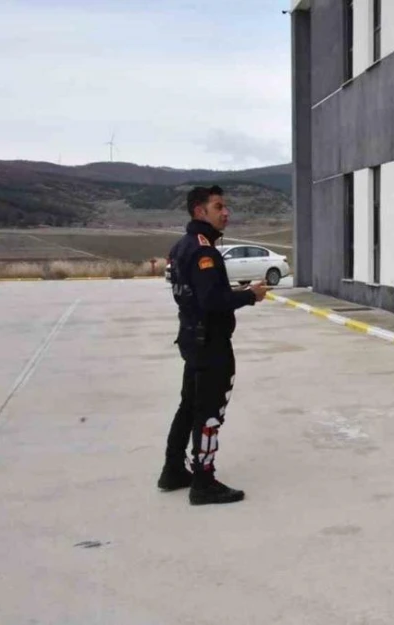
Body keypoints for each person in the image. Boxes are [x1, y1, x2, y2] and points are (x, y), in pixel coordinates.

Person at [159, 185, 269, 506]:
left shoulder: (182, 246)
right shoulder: (204, 250)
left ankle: (173, 469)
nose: (226, 212)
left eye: (226, 207)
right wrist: (250, 295)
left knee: (188, 406)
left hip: (192, 339)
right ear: (199, 211)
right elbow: (211, 300)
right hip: (210, 344)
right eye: (218, 206)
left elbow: (196, 293)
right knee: (209, 413)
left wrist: (235, 291)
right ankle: (204, 481)